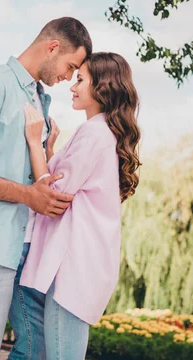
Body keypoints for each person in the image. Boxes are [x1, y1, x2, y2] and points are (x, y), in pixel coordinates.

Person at [0, 17, 93, 360]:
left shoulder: (40, 101)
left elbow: (33, 174)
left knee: (37, 348)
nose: (69, 78)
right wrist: (28, 196)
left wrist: (48, 152)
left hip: (29, 247)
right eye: (70, 67)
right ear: (52, 47)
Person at [18, 52, 141, 359]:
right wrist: (48, 150)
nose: (72, 86)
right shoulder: (100, 133)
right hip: (82, 267)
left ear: (103, 87)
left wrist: (34, 144)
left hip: (73, 269)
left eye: (81, 79)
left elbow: (52, 195)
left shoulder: (95, 133)